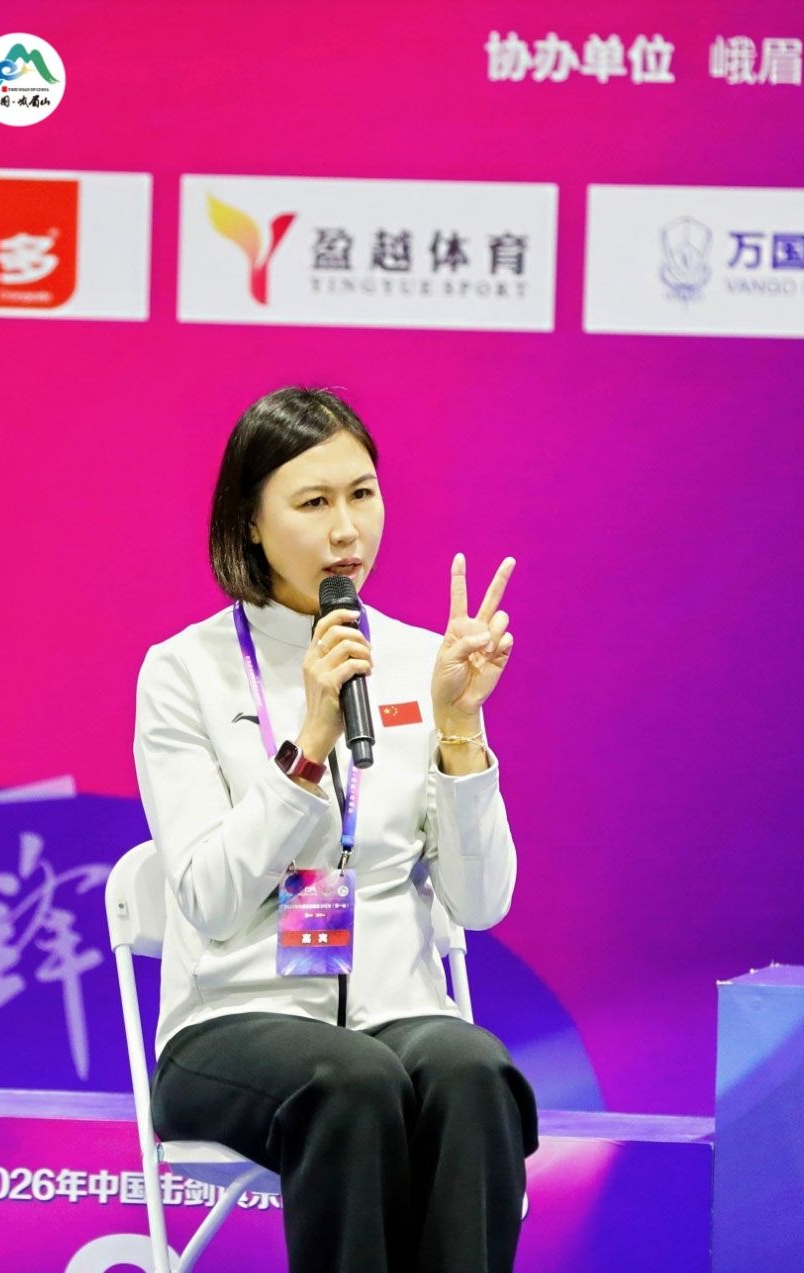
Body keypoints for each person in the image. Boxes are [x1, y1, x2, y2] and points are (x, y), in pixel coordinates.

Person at [132, 386, 537, 1273]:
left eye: (362, 493)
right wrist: (308, 747)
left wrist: (460, 731)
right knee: (351, 1080)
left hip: (398, 1012)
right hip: (233, 1020)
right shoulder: (185, 672)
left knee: (472, 1070)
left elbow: (479, 903)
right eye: (313, 502)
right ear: (249, 521)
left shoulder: (424, 660)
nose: (347, 529)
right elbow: (207, 900)